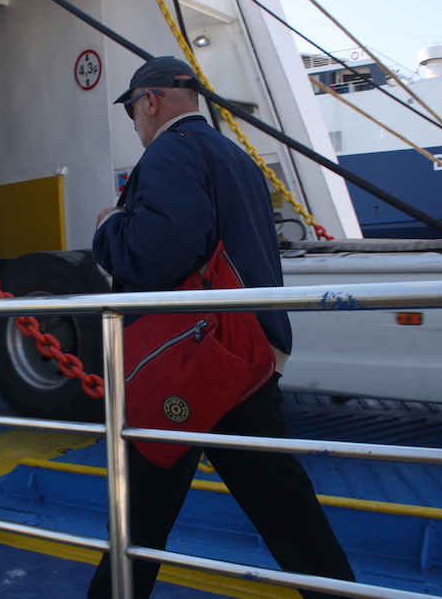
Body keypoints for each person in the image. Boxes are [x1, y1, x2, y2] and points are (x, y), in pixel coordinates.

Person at [88, 57, 355, 599]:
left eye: (132, 111)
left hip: (193, 359)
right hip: (248, 353)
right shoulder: (237, 159)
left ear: (149, 101)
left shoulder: (170, 151)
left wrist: (109, 227)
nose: (135, 124)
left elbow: (159, 252)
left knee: (141, 514)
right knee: (286, 513)